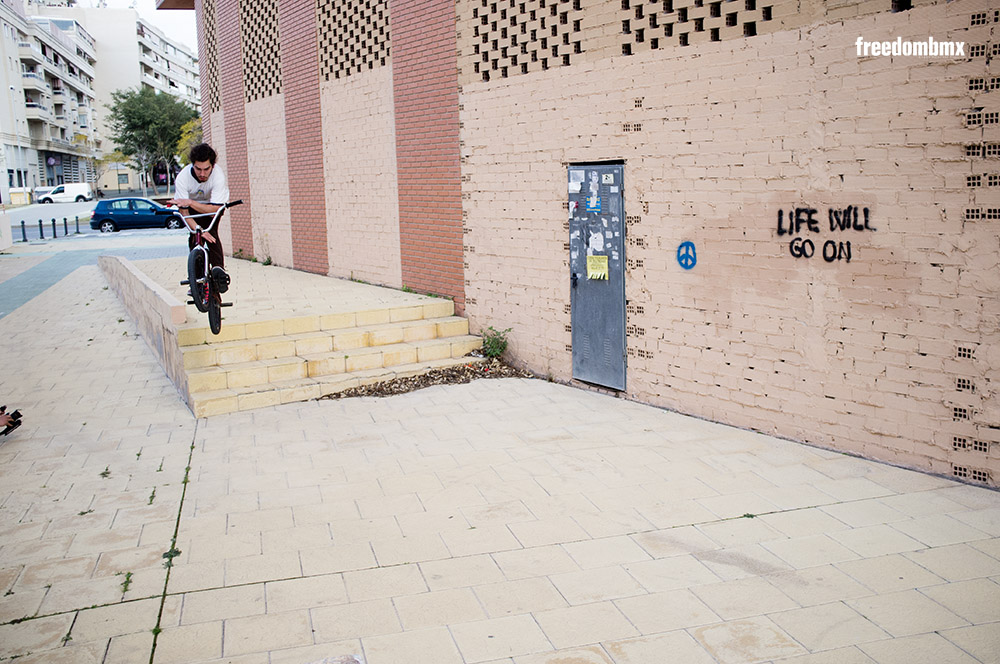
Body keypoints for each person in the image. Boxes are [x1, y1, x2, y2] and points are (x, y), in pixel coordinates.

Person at [169, 143, 231, 294]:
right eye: (198, 169)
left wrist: (190, 202)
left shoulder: (218, 176)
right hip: (189, 210)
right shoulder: (183, 178)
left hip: (212, 207)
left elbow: (214, 211)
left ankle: (219, 272)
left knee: (212, 235)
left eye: (206, 169)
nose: (202, 173)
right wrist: (199, 230)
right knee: (194, 237)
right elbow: (184, 212)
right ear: (192, 165)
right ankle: (196, 281)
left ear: (212, 166)